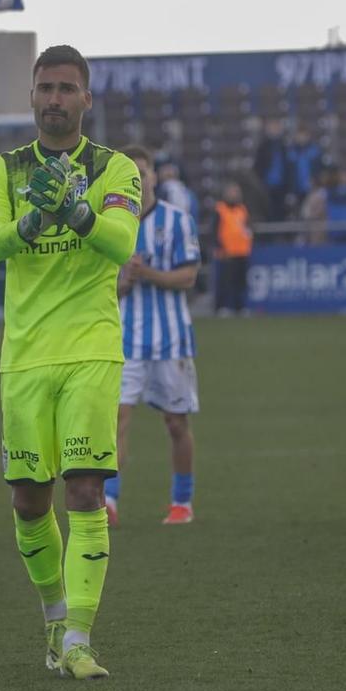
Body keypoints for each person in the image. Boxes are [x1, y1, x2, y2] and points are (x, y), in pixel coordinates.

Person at [0, 44, 141, 681]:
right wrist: (35, 219)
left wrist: (75, 211)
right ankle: (52, 616)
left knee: (86, 490)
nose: (55, 99)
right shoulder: (3, 171)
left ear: (86, 99)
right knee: (28, 503)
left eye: (67, 89)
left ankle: (78, 638)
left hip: (91, 350)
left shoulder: (114, 168)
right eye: (46, 88)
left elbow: (120, 243)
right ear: (33, 95)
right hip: (24, 358)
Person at [109, 145, 201, 528]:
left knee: (176, 424)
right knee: (116, 420)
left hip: (171, 341)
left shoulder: (177, 220)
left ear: (153, 176)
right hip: (125, 340)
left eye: (143, 171)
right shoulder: (112, 225)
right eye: (131, 172)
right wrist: (126, 279)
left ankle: (182, 502)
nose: (139, 178)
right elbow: (106, 289)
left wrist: (149, 275)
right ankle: (109, 501)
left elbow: (189, 277)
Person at [210, 181, 252, 316]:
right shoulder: (220, 209)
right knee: (225, 282)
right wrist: (219, 246)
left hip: (242, 251)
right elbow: (214, 230)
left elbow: (247, 227)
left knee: (240, 282)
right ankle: (222, 307)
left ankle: (240, 307)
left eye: (236, 192)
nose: (235, 195)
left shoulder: (242, 209)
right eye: (232, 192)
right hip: (226, 253)